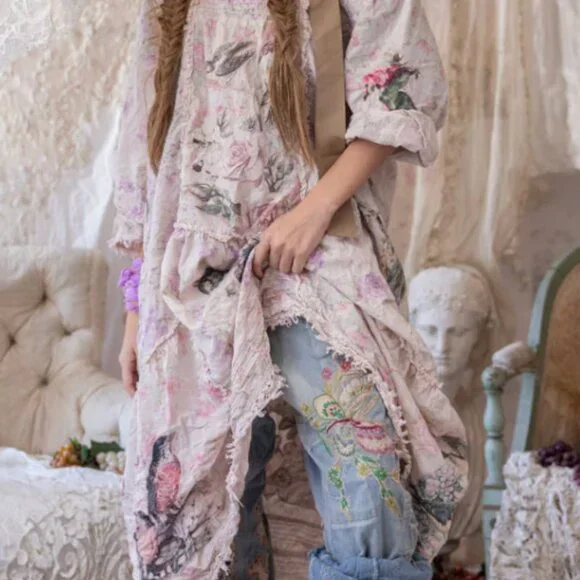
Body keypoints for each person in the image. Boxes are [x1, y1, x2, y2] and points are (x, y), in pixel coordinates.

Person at [112, 1, 468, 579]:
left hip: (314, 253)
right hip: (191, 274)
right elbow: (143, 145)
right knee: (202, 494)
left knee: (367, 468)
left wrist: (315, 210)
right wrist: (135, 306)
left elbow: (400, 86)